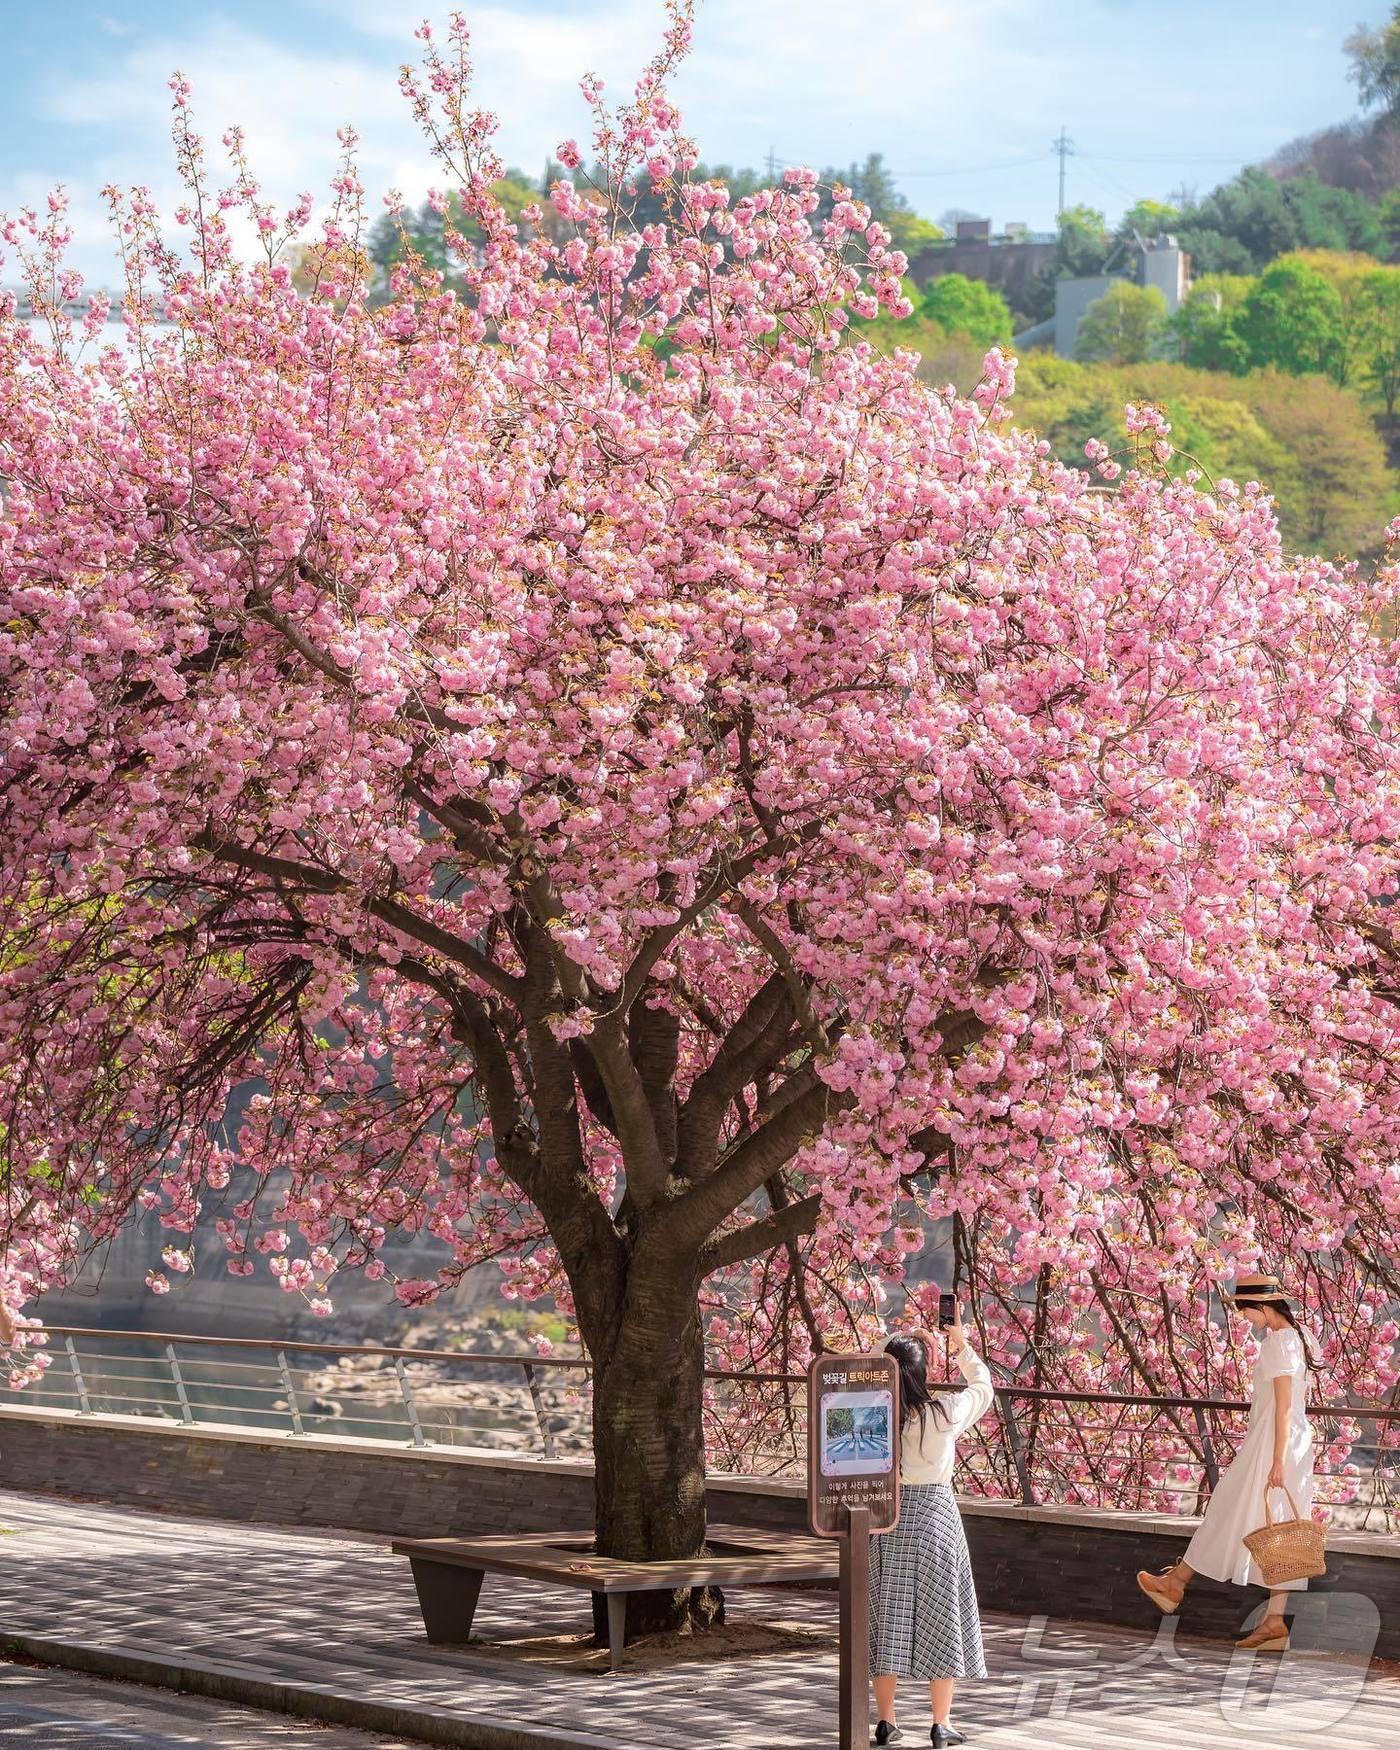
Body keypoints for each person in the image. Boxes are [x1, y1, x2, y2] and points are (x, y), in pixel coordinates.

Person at [1136, 1269, 1320, 1652]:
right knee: (1278, 1529)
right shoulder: (1299, 1337)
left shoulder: (1279, 1343)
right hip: (1290, 1443)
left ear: (1261, 1306)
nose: (1244, 1318)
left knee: (1229, 1510)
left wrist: (1277, 1460)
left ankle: (1176, 1584)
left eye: (1245, 1310)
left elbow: (1284, 1406)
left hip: (1274, 1443)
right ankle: (1273, 1623)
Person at [870, 1305, 995, 1747]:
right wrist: (957, 1344)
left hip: (888, 1518)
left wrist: (905, 1338)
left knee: (887, 1617)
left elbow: (874, 1361)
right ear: (924, 1371)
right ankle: (941, 1723)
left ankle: (886, 1720)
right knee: (942, 1616)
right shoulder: (944, 1413)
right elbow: (983, 1386)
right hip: (937, 1519)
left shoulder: (877, 1417)